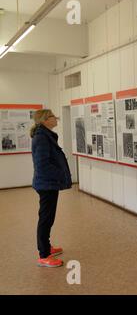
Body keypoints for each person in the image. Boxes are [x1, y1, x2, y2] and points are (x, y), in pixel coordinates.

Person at [30, 110, 72, 268]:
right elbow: (43, 165)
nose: (56, 119)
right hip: (46, 183)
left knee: (48, 217)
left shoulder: (45, 135)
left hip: (48, 183)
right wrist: (61, 173)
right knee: (46, 219)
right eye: (53, 117)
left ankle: (47, 247)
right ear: (45, 120)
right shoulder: (41, 137)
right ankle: (44, 255)